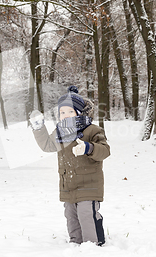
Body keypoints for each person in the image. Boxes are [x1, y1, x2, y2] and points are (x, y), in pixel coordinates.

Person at [29, 86, 110, 246]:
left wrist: (89, 147)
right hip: (69, 184)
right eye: (62, 113)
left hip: (89, 185)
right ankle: (76, 242)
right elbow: (47, 145)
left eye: (70, 112)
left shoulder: (92, 130)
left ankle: (93, 244)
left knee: (86, 214)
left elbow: (105, 150)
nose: (65, 115)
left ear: (79, 113)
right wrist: (39, 127)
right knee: (71, 215)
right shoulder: (60, 132)